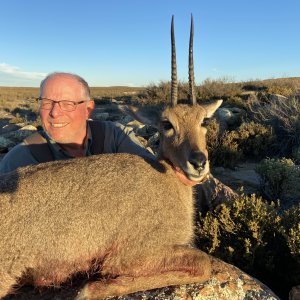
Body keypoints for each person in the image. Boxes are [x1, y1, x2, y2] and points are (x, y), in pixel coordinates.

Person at [0, 72, 155, 174]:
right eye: (46, 102)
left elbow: (155, 171)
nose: (54, 113)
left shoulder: (115, 136)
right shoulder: (19, 161)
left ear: (88, 109)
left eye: (68, 104)